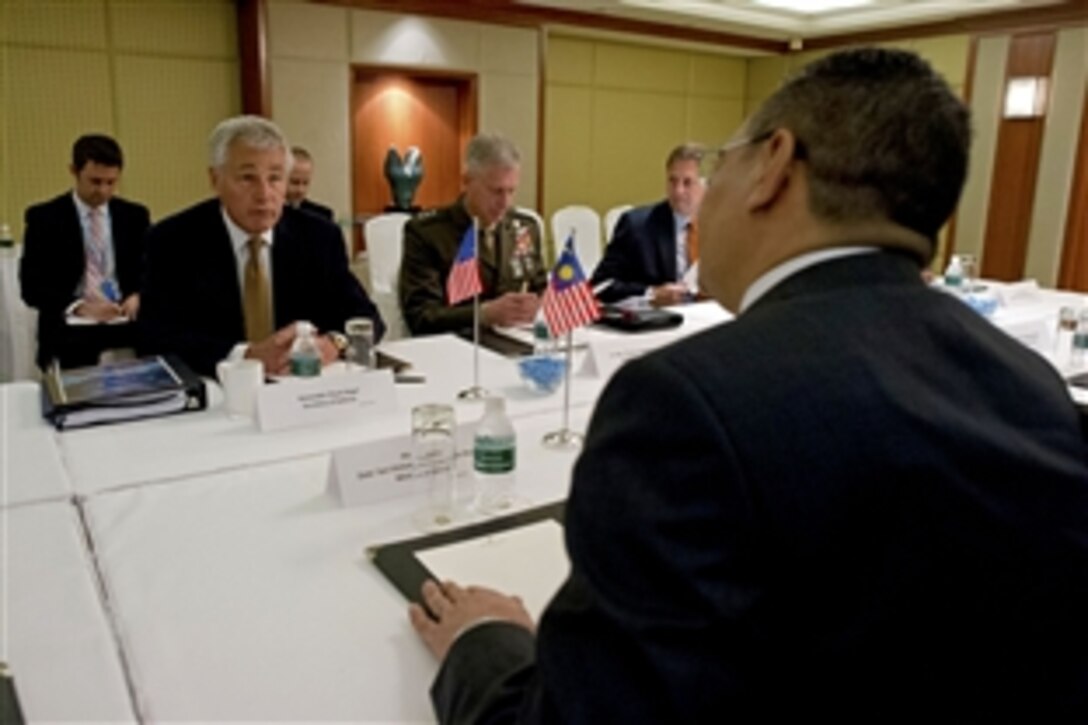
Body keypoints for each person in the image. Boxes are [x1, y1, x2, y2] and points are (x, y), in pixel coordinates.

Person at [406, 48, 1088, 721]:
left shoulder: (686, 406)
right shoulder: (1034, 389)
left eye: (719, 163)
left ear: (774, 165)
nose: (699, 199)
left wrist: (482, 642)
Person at [140, 116, 383, 377]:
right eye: (247, 178)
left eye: (276, 178)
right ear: (215, 179)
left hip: (302, 389)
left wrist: (333, 344)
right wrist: (245, 355)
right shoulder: (173, 240)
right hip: (219, 391)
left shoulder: (319, 237)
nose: (264, 194)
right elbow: (154, 336)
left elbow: (366, 318)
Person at [19, 134, 151, 369]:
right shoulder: (45, 218)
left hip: (124, 317)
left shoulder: (134, 216)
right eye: (95, 181)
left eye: (111, 182)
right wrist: (79, 306)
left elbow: (152, 270)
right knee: (76, 357)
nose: (103, 191)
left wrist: (137, 295)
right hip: (72, 324)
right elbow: (31, 287)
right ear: (74, 171)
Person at [399, 134, 546, 336]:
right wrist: (483, 314)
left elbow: (540, 287)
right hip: (458, 347)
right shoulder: (428, 233)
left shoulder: (524, 227)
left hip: (518, 341)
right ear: (467, 181)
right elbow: (422, 316)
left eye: (511, 191)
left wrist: (542, 302)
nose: (505, 203)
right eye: (496, 191)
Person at [591, 143, 706, 306]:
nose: (678, 191)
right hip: (661, 322)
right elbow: (601, 286)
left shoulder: (722, 227)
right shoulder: (637, 226)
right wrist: (651, 294)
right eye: (672, 181)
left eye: (687, 183)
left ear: (706, 186)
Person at [286, 146, 335, 220]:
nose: (300, 190)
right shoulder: (269, 214)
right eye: (295, 182)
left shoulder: (322, 216)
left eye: (305, 183)